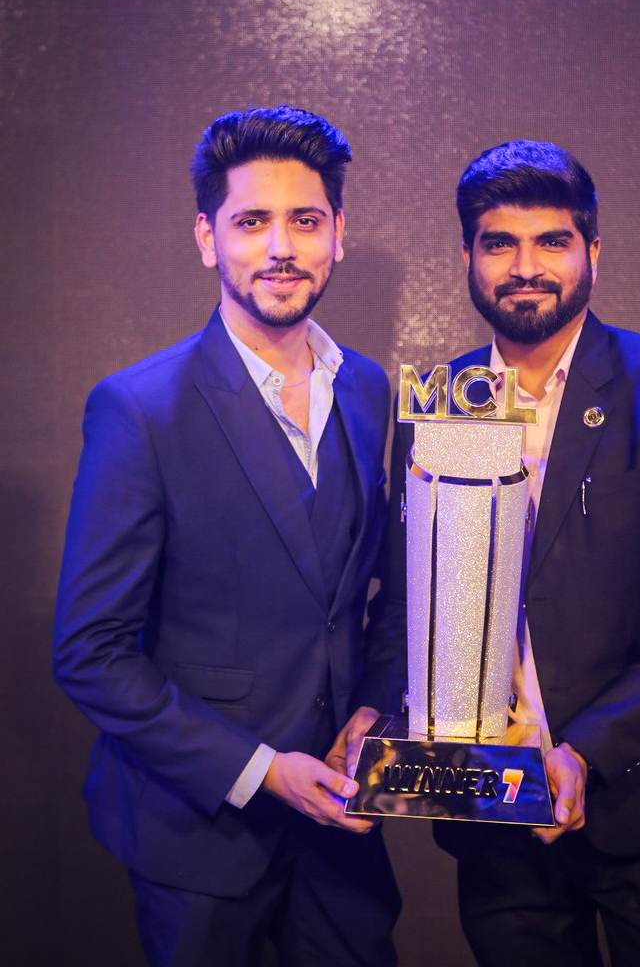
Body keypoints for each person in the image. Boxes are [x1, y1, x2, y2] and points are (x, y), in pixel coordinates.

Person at [382, 140, 640, 966]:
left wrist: (584, 752)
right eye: (498, 243)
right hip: (493, 807)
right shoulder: (446, 401)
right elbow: (412, 601)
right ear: (467, 257)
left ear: (592, 251)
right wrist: (378, 717)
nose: (525, 267)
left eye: (551, 241)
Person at [53, 106, 404, 967]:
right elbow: (91, 652)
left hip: (341, 825)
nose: (281, 247)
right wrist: (261, 770)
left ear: (338, 234)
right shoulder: (139, 408)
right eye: (251, 222)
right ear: (208, 239)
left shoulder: (366, 387)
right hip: (196, 834)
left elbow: (374, 593)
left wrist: (373, 710)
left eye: (305, 221)